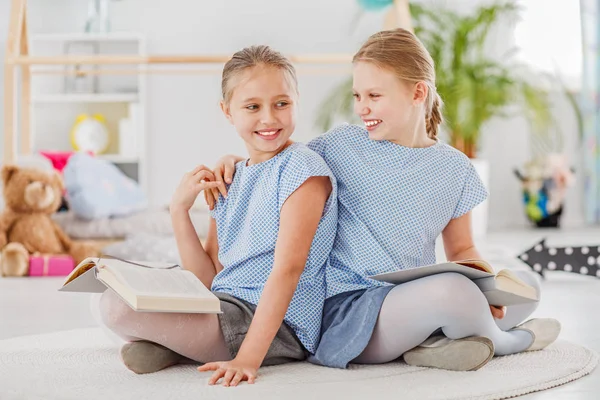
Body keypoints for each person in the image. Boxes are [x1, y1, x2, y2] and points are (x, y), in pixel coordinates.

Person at [206, 29, 561, 372]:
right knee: (453, 293)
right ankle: (507, 341)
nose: (362, 108)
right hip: (347, 310)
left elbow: (463, 249)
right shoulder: (340, 145)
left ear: (418, 93)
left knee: (527, 284)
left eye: (374, 96)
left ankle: (437, 342)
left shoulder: (455, 168)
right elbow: (279, 159)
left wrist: (489, 286)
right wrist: (233, 161)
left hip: (410, 298)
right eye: (357, 96)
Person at [98, 45, 337, 386]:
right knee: (111, 298)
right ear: (227, 112)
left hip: (277, 324)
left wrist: (247, 359)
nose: (269, 118)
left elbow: (289, 269)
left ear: (297, 99)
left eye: (281, 103)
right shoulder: (230, 177)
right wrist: (179, 210)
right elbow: (209, 279)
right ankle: (177, 344)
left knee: (116, 310)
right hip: (224, 307)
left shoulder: (303, 170)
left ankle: (177, 345)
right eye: (252, 106)